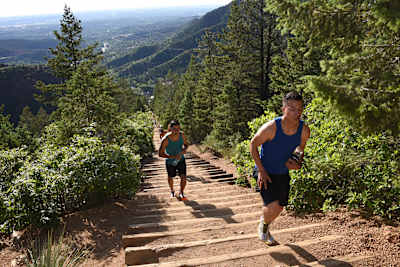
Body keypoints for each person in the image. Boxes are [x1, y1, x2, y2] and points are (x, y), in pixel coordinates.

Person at [249, 91, 310, 245]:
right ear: (284, 109)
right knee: (272, 205)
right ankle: (263, 226)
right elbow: (253, 144)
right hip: (265, 170)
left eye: (299, 109)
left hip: (282, 172)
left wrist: (297, 161)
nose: (297, 112)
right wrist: (261, 170)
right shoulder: (271, 127)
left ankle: (266, 222)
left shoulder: (304, 130)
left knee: (280, 206)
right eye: (292, 108)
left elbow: (300, 149)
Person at [159, 120, 189, 200]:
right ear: (170, 128)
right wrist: (171, 157)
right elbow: (160, 153)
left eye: (178, 128)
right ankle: (172, 191)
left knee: (183, 177)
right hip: (170, 162)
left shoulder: (182, 135)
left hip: (181, 159)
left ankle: (181, 192)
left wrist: (184, 149)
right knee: (170, 177)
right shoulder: (165, 139)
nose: (177, 130)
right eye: (174, 128)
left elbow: (186, 144)